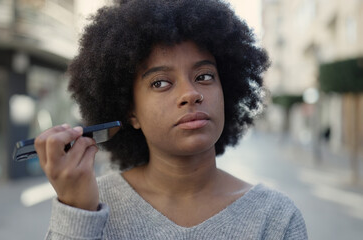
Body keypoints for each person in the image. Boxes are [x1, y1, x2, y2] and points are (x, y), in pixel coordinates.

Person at [35, 0, 308, 239]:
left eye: (204, 77)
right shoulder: (90, 204)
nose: (191, 94)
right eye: (161, 82)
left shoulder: (275, 219)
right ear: (131, 111)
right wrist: (77, 213)